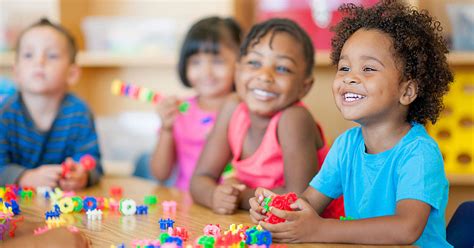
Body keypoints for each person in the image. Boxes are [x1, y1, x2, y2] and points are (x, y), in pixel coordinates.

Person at [249, 1, 453, 247]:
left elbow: (405, 228)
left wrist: (319, 229)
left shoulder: (419, 153)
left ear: (407, 91)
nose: (349, 77)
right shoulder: (346, 146)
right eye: (344, 67)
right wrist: (277, 210)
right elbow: (309, 203)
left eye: (368, 68)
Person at [191, 18, 343, 218]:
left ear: (304, 86)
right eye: (254, 63)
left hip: (322, 231)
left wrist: (239, 196)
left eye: (282, 68)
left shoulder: (294, 119)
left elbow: (297, 199)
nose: (264, 76)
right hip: (260, 223)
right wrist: (214, 195)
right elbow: (200, 179)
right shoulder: (232, 108)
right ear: (237, 71)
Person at [0, 18, 103, 190]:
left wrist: (82, 174)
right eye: (28, 55)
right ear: (16, 72)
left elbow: (93, 163)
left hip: (62, 207)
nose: (39, 62)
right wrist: (25, 177)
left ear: (72, 74)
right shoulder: (4, 114)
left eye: (52, 55)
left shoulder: (79, 113)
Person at [145, 16, 242, 191]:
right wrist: (166, 129)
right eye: (196, 62)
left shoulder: (244, 112)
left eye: (218, 61)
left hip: (228, 204)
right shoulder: (180, 110)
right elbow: (160, 174)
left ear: (240, 63)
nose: (206, 72)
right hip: (185, 205)